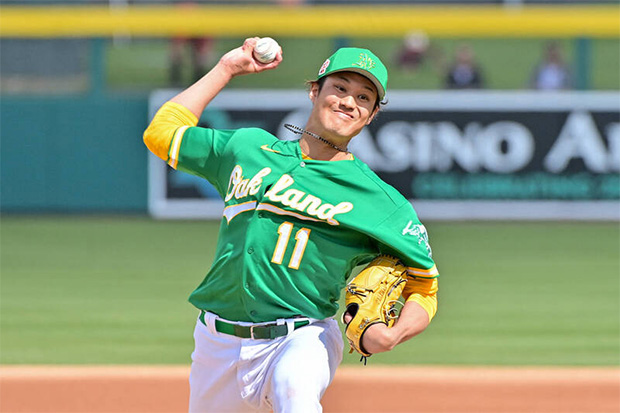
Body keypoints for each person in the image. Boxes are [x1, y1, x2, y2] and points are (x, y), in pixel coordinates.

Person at [143, 37, 440, 412]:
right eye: (340, 87)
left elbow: (425, 285)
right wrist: (227, 68)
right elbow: (161, 133)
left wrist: (394, 334)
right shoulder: (248, 149)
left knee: (294, 393)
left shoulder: (381, 201)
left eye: (365, 97)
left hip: (302, 336)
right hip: (216, 342)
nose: (350, 101)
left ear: (372, 115)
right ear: (315, 91)